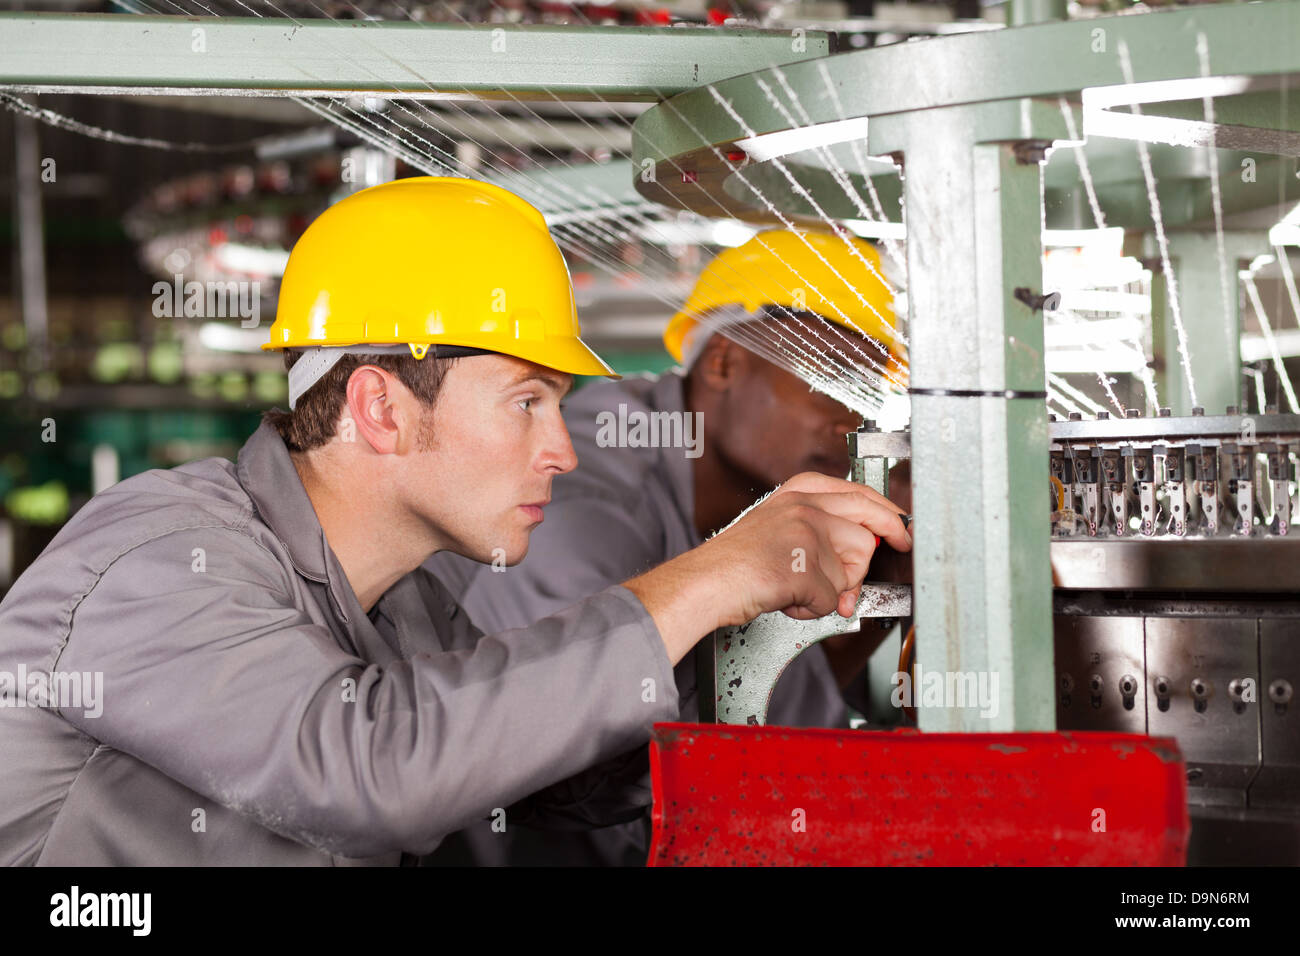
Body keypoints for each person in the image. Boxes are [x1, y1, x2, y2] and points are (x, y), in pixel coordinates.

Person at [0, 178, 910, 865]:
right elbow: (370, 769)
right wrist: (712, 574)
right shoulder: (163, 557)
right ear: (382, 409)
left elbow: (547, 778)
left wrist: (765, 648)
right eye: (527, 402)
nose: (564, 450)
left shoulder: (407, 607)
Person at [426, 229, 908, 865]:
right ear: (724, 363)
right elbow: (584, 756)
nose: (849, 419)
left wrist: (896, 567)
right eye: (828, 379)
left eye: (864, 392)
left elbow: (774, 714)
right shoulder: (583, 488)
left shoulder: (772, 511)